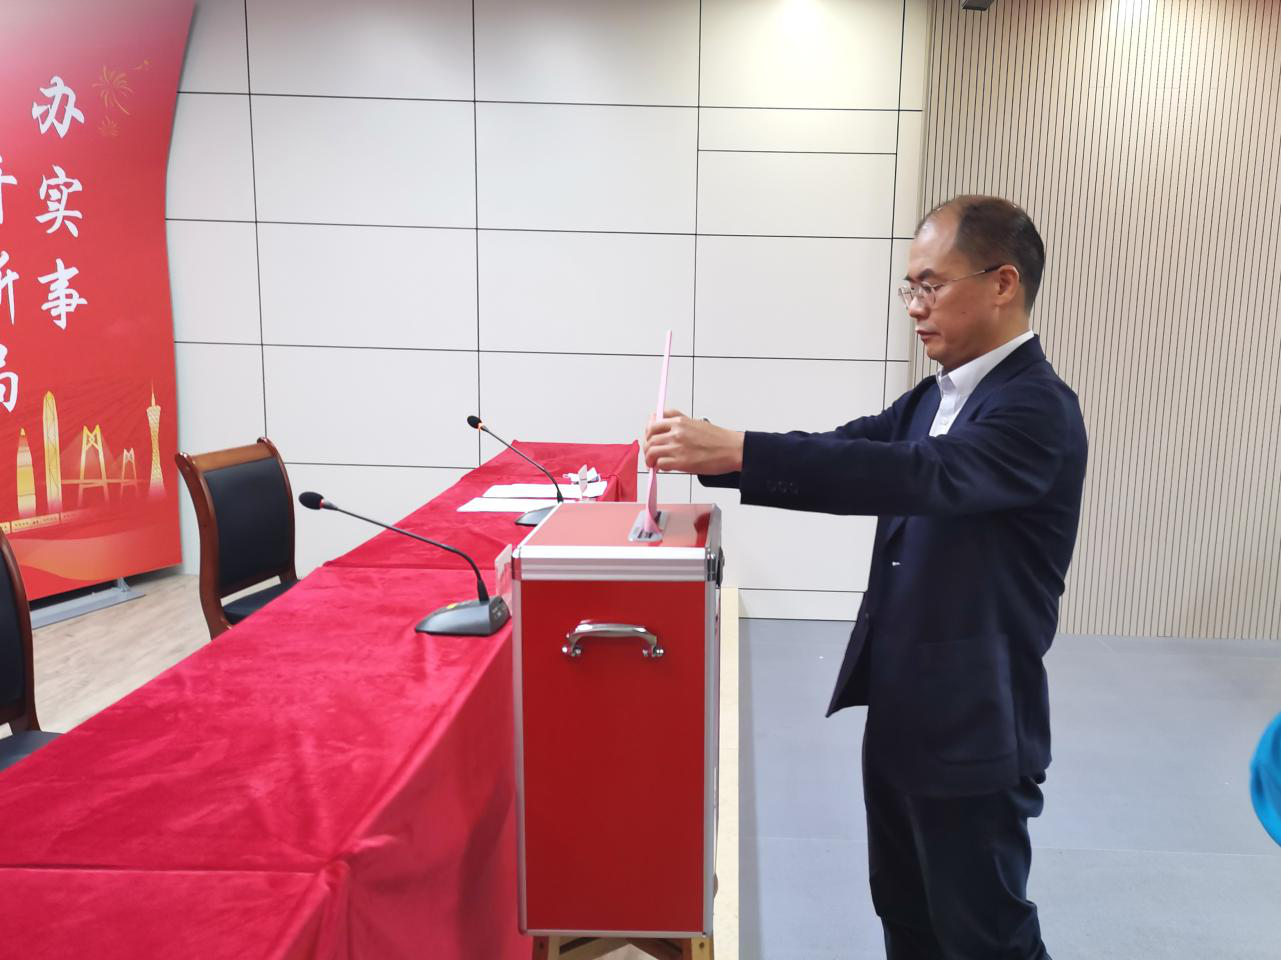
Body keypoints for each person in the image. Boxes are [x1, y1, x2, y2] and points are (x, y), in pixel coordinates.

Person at [644, 195, 1087, 959]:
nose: (914, 306)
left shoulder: (1035, 410)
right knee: (905, 917)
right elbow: (850, 450)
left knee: (984, 936)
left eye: (930, 285)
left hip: (973, 725)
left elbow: (916, 474)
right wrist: (726, 456)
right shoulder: (937, 397)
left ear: (1002, 282)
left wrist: (741, 448)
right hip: (903, 709)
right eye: (909, 287)